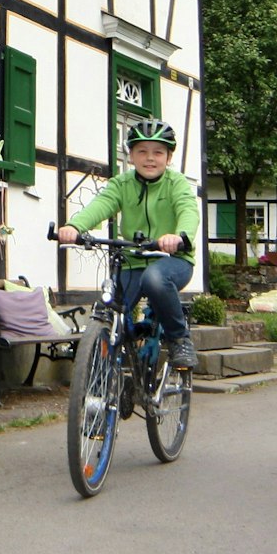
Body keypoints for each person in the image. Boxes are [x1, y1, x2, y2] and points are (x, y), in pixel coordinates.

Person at [57, 119, 201, 370]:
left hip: (172, 261)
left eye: (158, 152)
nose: (150, 158)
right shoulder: (122, 184)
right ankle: (105, 378)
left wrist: (179, 236)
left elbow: (188, 210)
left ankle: (179, 339)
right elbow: (101, 205)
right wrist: (75, 226)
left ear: (168, 158)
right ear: (131, 156)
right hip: (132, 261)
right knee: (107, 308)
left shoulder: (176, 183)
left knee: (154, 280)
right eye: (142, 151)